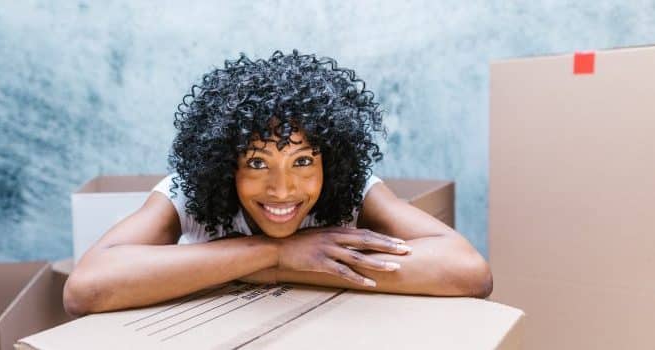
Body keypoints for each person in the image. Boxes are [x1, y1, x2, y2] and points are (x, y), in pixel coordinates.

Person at [63, 50, 492, 316]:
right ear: (224, 165)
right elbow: (85, 290)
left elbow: (467, 272)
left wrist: (272, 269)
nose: (283, 189)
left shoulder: (352, 190)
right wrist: (278, 252)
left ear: (332, 159)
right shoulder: (188, 193)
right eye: (256, 162)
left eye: (303, 160)